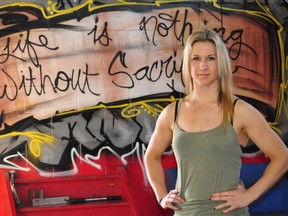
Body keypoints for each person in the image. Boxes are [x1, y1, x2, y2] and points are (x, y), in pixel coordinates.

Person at [144, 29, 288, 215]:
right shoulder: (172, 112)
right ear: (188, 64)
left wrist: (249, 195)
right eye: (196, 58)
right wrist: (162, 196)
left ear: (221, 63)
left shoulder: (240, 111)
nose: (203, 66)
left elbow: (282, 156)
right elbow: (151, 156)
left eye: (211, 58)